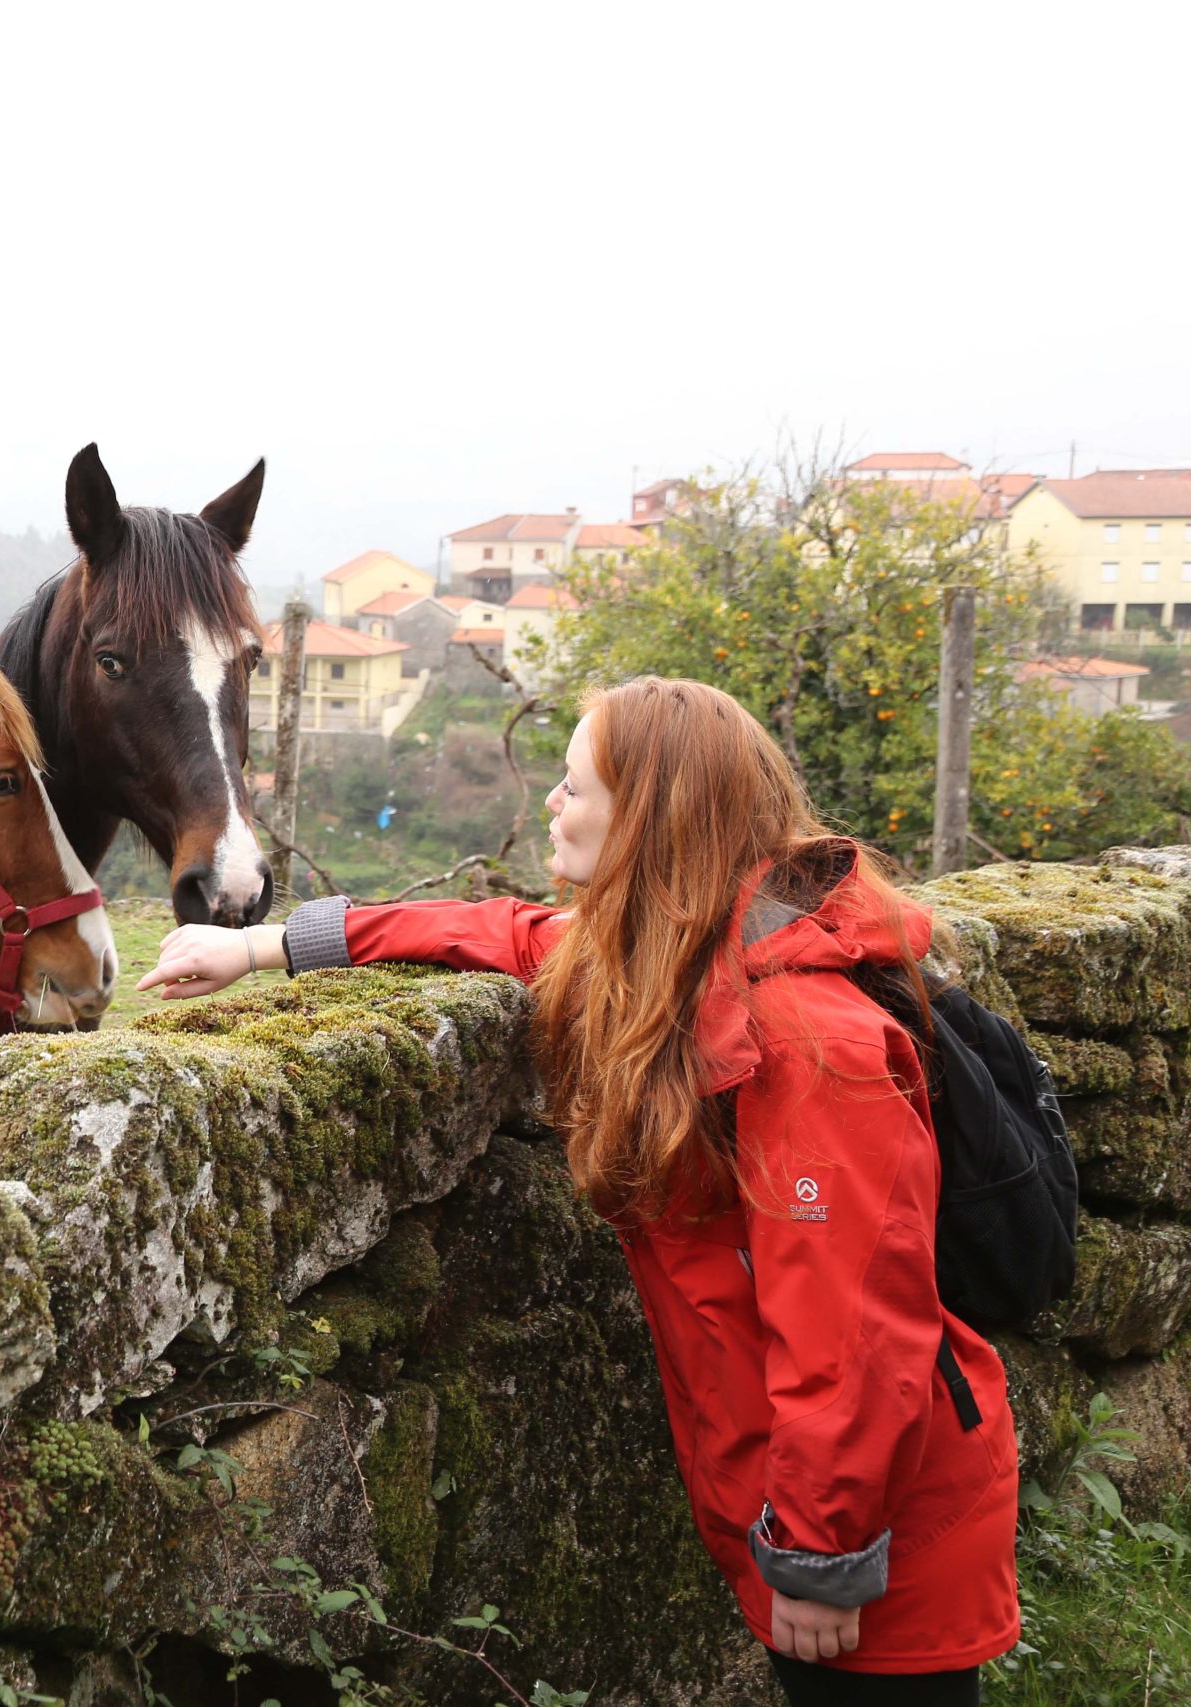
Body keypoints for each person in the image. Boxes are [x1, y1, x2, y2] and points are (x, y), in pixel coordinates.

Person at [138, 676, 1019, 1705]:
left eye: (571, 787)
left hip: (882, 1535)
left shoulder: (808, 1045)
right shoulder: (682, 958)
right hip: (809, 1506)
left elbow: (854, 1336)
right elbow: (505, 934)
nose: (551, 806)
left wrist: (822, 1558)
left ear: (645, 813)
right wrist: (264, 944)